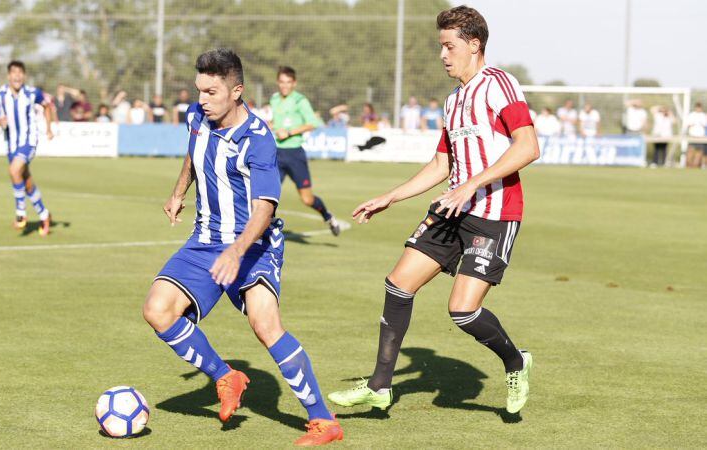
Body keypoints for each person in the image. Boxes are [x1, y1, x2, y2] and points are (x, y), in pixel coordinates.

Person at [327, 5, 538, 416]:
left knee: (462, 310)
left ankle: (516, 361)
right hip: (452, 208)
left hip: (493, 213)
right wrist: (391, 196)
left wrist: (472, 185)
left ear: (474, 45)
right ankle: (380, 387)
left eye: (449, 45)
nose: (443, 54)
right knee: (398, 284)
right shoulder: (453, 101)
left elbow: (528, 146)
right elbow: (442, 165)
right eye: (440, 46)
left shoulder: (499, 84)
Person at [141, 49, 343, 446]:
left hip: (254, 245)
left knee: (265, 325)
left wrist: (235, 251)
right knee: (157, 310)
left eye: (211, 92)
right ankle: (225, 376)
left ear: (236, 91)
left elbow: (265, 208)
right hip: (204, 240)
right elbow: (192, 155)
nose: (201, 99)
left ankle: (323, 421)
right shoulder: (197, 117)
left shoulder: (258, 139)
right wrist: (179, 191)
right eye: (199, 90)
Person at [269, 66, 341, 236]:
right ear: (278, 82)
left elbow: (313, 123)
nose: (284, 85)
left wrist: (289, 132)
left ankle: (328, 216)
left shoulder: (300, 101)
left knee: (307, 199)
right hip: (276, 153)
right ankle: (265, 232)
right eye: (281, 82)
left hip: (294, 154)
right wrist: (269, 125)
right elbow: (276, 121)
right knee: (268, 195)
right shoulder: (274, 99)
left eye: (288, 82)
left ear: (294, 83)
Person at [0, 60, 54, 235]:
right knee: (26, 182)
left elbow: (47, 106)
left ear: (24, 76)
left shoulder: (33, 93)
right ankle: (44, 215)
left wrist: (48, 128)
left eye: (20, 72)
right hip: (11, 144)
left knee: (14, 170)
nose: (17, 76)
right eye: (14, 72)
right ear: (9, 75)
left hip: (28, 141)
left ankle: (20, 214)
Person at [685, 102, 707, 168]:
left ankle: (695, 166)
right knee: (690, 151)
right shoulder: (691, 115)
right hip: (692, 136)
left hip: (701, 137)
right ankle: (689, 165)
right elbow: (688, 124)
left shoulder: (704, 115)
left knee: (699, 152)